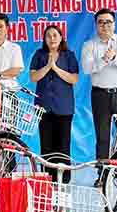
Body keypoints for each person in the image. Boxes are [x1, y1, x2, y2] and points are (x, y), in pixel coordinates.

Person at [80, 9, 117, 183]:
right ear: (96, 25)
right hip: (100, 95)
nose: (105, 26)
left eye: (108, 22)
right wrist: (104, 60)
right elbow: (86, 68)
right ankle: (102, 175)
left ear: (114, 24)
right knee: (103, 136)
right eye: (101, 22)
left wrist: (114, 58)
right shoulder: (89, 45)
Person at [30, 25, 80, 162]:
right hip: (43, 107)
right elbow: (33, 77)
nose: (52, 38)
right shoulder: (39, 54)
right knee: (46, 147)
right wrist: (47, 67)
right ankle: (48, 179)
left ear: (61, 37)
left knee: (63, 146)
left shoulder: (69, 55)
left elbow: (74, 78)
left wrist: (56, 68)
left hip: (64, 108)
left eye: (55, 35)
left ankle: (63, 180)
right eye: (48, 36)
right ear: (45, 39)